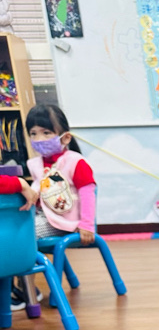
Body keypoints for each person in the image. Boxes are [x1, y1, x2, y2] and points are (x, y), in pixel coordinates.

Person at [11, 104, 97, 311]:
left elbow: (87, 192)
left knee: (22, 237)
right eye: (33, 133)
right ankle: (19, 287)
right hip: (44, 217)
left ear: (65, 138)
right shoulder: (35, 164)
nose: (39, 139)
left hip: (66, 223)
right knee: (12, 232)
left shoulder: (75, 162)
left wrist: (87, 225)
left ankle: (26, 290)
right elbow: (38, 190)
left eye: (46, 132)